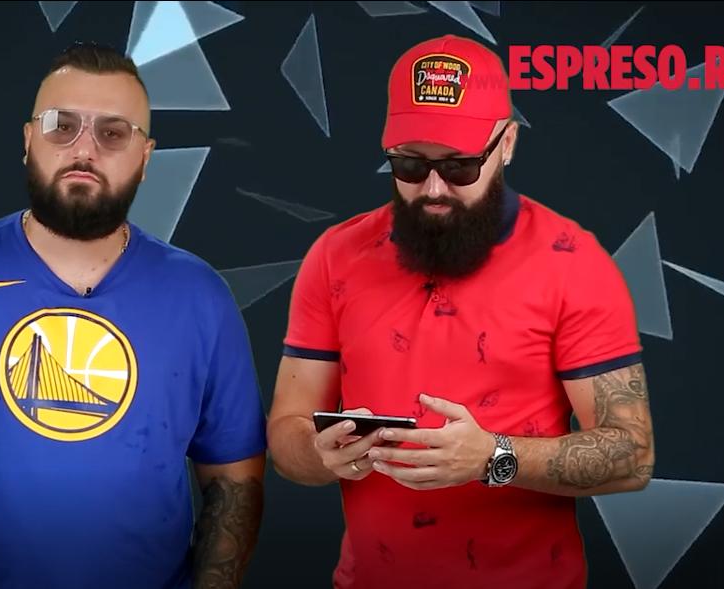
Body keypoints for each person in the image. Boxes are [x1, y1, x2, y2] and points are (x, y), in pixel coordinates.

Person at [0, 42, 266, 589]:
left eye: (113, 132)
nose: (84, 148)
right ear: (27, 140)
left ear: (145, 157)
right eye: (61, 125)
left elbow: (234, 480)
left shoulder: (201, 296)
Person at [267, 34, 655, 589]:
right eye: (409, 164)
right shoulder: (336, 255)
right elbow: (287, 432)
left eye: (460, 166)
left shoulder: (573, 262)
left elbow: (632, 453)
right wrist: (318, 452)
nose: (432, 188)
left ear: (507, 144)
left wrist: (492, 457)